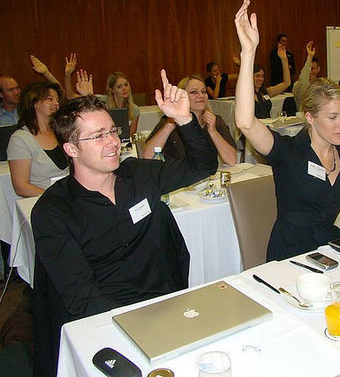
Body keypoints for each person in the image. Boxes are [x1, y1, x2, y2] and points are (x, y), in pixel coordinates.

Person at [31, 71, 218, 377]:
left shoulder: (138, 176)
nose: (113, 142)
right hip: (106, 325)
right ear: (71, 149)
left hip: (163, 306)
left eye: (112, 131)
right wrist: (134, 330)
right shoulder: (54, 211)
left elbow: (203, 165)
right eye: (98, 136)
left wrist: (184, 121)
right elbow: (81, 294)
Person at [234, 0, 340, 261]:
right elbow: (246, 122)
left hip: (329, 250)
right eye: (333, 117)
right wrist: (248, 53)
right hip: (289, 257)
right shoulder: (289, 152)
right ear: (310, 118)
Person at [143, 75, 237, 164]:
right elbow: (147, 156)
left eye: (203, 91)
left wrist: (213, 132)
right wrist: (170, 124)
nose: (201, 95)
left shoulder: (215, 121)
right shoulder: (168, 121)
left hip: (207, 176)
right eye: (194, 92)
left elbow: (232, 160)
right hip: (177, 176)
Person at [7, 81, 68, 197]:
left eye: (57, 100)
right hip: (43, 200)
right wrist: (57, 199)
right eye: (50, 99)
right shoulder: (20, 139)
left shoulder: (62, 132)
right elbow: (21, 187)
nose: (56, 103)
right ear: (34, 103)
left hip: (70, 196)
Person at [254, 47, 291, 119]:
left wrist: (284, 60)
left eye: (262, 76)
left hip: (267, 126)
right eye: (257, 76)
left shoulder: (266, 92)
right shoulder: (246, 95)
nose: (260, 79)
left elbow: (287, 83)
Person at [105, 72, 140, 136]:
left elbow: (131, 135)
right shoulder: (104, 108)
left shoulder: (135, 109)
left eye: (126, 85)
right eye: (119, 87)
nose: (124, 89)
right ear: (112, 90)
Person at [292, 41, 321, 111]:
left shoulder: (321, 85)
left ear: (318, 69)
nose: (310, 72)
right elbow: (303, 83)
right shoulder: (297, 85)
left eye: (313, 69)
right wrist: (310, 57)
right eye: (309, 69)